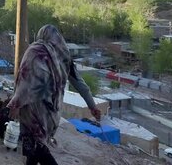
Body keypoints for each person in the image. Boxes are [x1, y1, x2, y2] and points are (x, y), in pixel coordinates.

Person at [7, 24, 101, 165]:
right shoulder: (64, 56)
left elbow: (24, 81)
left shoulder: (35, 51)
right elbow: (81, 85)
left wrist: (15, 104)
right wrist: (93, 107)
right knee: (34, 149)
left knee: (38, 148)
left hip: (32, 110)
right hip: (51, 114)